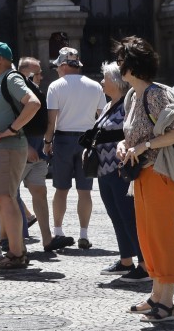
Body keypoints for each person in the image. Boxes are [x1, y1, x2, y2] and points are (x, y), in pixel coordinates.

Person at [113, 35, 174, 323]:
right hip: (142, 174)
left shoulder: (156, 94)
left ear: (131, 66)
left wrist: (143, 147)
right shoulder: (133, 96)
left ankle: (166, 304)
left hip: (160, 172)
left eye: (121, 61)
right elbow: (133, 132)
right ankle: (156, 295)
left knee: (162, 235)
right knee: (147, 236)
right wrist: (124, 144)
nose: (119, 66)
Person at [0, 42, 41, 272]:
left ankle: (16, 252)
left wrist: (12, 129)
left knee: (6, 197)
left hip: (8, 147)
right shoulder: (1, 79)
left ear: (0, 59)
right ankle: (16, 250)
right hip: (1, 148)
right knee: (6, 198)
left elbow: (33, 103)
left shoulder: (11, 78)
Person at [43, 48, 105, 252]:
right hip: (87, 140)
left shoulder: (56, 86)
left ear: (62, 65)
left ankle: (58, 231)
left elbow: (52, 120)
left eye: (57, 67)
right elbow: (101, 116)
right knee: (85, 190)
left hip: (63, 140)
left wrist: (47, 142)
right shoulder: (95, 86)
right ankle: (84, 234)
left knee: (61, 189)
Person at [91, 61, 145, 279]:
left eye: (105, 78)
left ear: (116, 81)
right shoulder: (108, 105)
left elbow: (130, 134)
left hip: (121, 170)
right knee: (116, 216)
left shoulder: (128, 104)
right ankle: (126, 260)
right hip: (105, 170)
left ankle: (144, 264)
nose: (101, 82)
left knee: (129, 216)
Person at [16, 56, 58, 250]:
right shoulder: (18, 93)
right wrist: (26, 147)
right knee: (9, 195)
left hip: (39, 153)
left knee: (40, 192)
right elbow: (13, 123)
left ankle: (47, 239)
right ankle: (13, 241)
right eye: (38, 72)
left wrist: (46, 143)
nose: (42, 76)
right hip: (23, 152)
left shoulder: (37, 91)